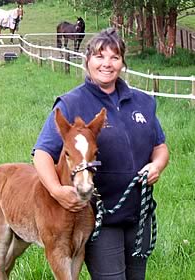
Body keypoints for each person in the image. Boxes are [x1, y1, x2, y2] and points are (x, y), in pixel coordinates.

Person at [31, 28, 169, 280]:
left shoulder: (142, 102)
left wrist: (157, 165)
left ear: (123, 63)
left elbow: (159, 145)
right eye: (99, 56)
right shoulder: (72, 103)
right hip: (99, 215)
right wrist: (56, 190)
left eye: (114, 57)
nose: (107, 64)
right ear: (87, 61)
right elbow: (42, 152)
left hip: (139, 212)